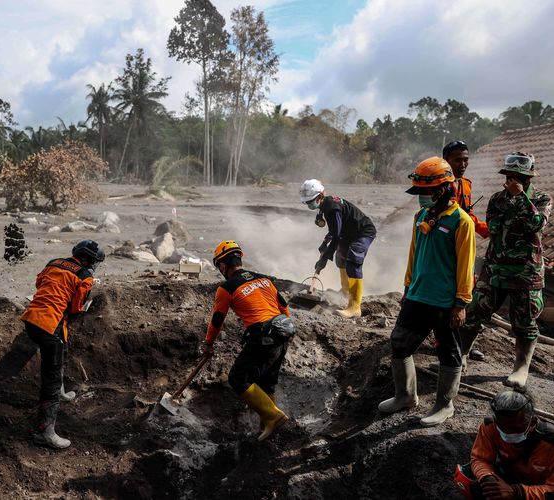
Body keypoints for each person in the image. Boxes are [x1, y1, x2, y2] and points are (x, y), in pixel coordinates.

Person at [378, 157, 475, 426]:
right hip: (417, 296)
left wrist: (461, 303)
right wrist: (407, 287)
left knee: (449, 352)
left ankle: (445, 405)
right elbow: (413, 255)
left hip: (444, 301)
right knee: (399, 343)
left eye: (425, 192)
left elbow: (466, 266)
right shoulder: (420, 217)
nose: (422, 198)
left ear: (442, 189)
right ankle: (405, 395)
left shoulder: (460, 221)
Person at [459, 153, 551, 388]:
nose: (512, 180)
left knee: (525, 321)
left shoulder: (541, 199)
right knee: (475, 311)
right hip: (496, 267)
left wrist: (520, 198)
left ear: (528, 178)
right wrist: (508, 201)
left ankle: (521, 368)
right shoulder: (497, 199)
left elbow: (537, 224)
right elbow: (493, 227)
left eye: (518, 177)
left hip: (526, 271)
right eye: (510, 176)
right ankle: (461, 356)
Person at [203, 240, 295, 441]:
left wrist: (208, 343)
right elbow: (283, 306)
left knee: (237, 378)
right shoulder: (264, 279)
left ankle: (273, 416)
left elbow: (218, 319)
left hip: (263, 335)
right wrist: (285, 330)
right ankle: (268, 425)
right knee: (267, 382)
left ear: (223, 265)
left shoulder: (227, 287)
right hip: (283, 331)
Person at [20, 240, 105, 449]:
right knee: (51, 376)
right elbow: (76, 308)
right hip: (50, 326)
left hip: (31, 319)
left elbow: (39, 283)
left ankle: (62, 392)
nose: (94, 266)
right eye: (94, 262)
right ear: (86, 259)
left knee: (60, 352)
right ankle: (45, 432)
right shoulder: (84, 276)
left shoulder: (54, 262)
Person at [453, 389, 554, 499]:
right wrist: (488, 479)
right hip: (507, 477)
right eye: (501, 426)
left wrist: (516, 492)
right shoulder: (491, 426)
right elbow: (480, 458)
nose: (507, 433)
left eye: (515, 428)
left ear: (533, 422)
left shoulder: (550, 442)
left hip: (538, 489)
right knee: (477, 489)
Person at [299, 179, 377, 318]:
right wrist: (325, 242)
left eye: (311, 201)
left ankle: (354, 307)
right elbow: (335, 230)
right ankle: (345, 290)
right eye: (308, 202)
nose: (310, 204)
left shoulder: (332, 207)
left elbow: (337, 235)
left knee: (353, 260)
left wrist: (324, 258)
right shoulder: (325, 205)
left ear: (320, 196)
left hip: (363, 232)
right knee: (340, 258)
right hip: (348, 233)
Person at [443, 140, 489, 363]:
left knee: (467, 288)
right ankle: (444, 340)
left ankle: (461, 341)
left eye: (465, 160)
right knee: (449, 290)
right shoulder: (439, 184)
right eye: (457, 160)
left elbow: (467, 215)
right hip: (446, 244)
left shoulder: (467, 185)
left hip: (465, 242)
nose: (462, 164)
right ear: (446, 161)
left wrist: (483, 230)